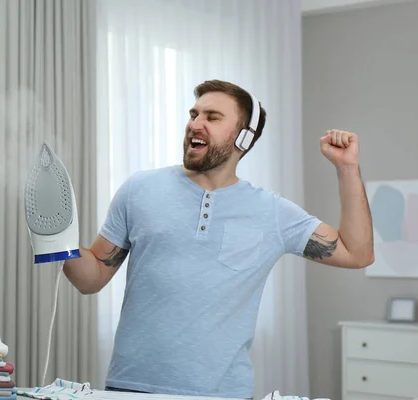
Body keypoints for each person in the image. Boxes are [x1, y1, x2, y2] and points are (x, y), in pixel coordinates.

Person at [62, 80, 374, 399]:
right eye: (193, 114)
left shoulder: (272, 213)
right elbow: (93, 277)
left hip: (223, 394)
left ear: (244, 137)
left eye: (212, 117)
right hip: (130, 388)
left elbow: (356, 253)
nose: (195, 124)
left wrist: (347, 168)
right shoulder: (139, 190)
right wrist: (59, 237)